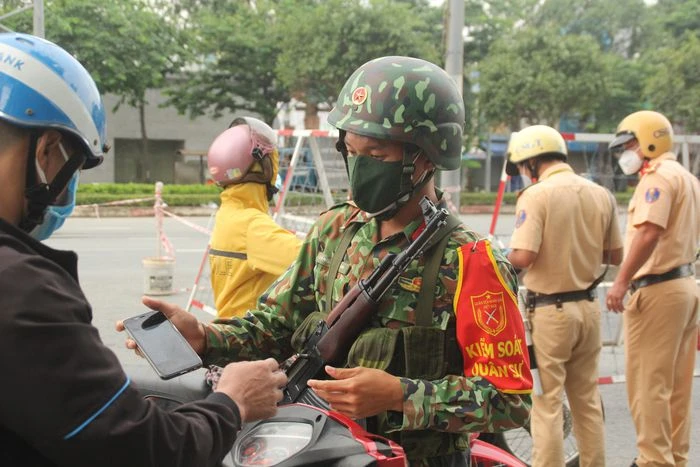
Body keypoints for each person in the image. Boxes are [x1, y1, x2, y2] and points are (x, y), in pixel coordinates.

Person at [123, 55, 533, 466]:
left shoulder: (472, 261)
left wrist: (399, 394)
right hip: (321, 449)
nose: (359, 167)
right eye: (351, 151)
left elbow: (509, 399)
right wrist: (205, 338)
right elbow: (276, 324)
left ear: (426, 156)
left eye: (376, 152)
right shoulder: (335, 230)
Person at [0, 32, 286, 467]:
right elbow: (141, 446)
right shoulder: (21, 289)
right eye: (74, 166)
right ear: (46, 150)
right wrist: (233, 402)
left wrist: (208, 336)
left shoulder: (228, 216)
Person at [505, 125, 623, 467]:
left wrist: (499, 258)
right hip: (588, 309)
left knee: (546, 404)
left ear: (532, 162)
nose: (524, 176)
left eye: (523, 168)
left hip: (551, 315)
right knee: (586, 401)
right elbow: (614, 256)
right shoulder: (600, 193)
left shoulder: (537, 196)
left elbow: (523, 257)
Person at [605, 110, 699, 467]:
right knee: (676, 387)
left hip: (658, 289)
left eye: (628, 144)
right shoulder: (687, 177)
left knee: (647, 385)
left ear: (648, 141)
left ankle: (653, 461)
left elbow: (649, 231)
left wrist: (622, 280)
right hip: (684, 285)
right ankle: (674, 458)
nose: (624, 153)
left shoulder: (656, 178)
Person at [207, 117, 302, 318]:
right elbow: (313, 262)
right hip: (252, 340)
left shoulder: (228, 214)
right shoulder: (252, 226)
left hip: (230, 334)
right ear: (263, 167)